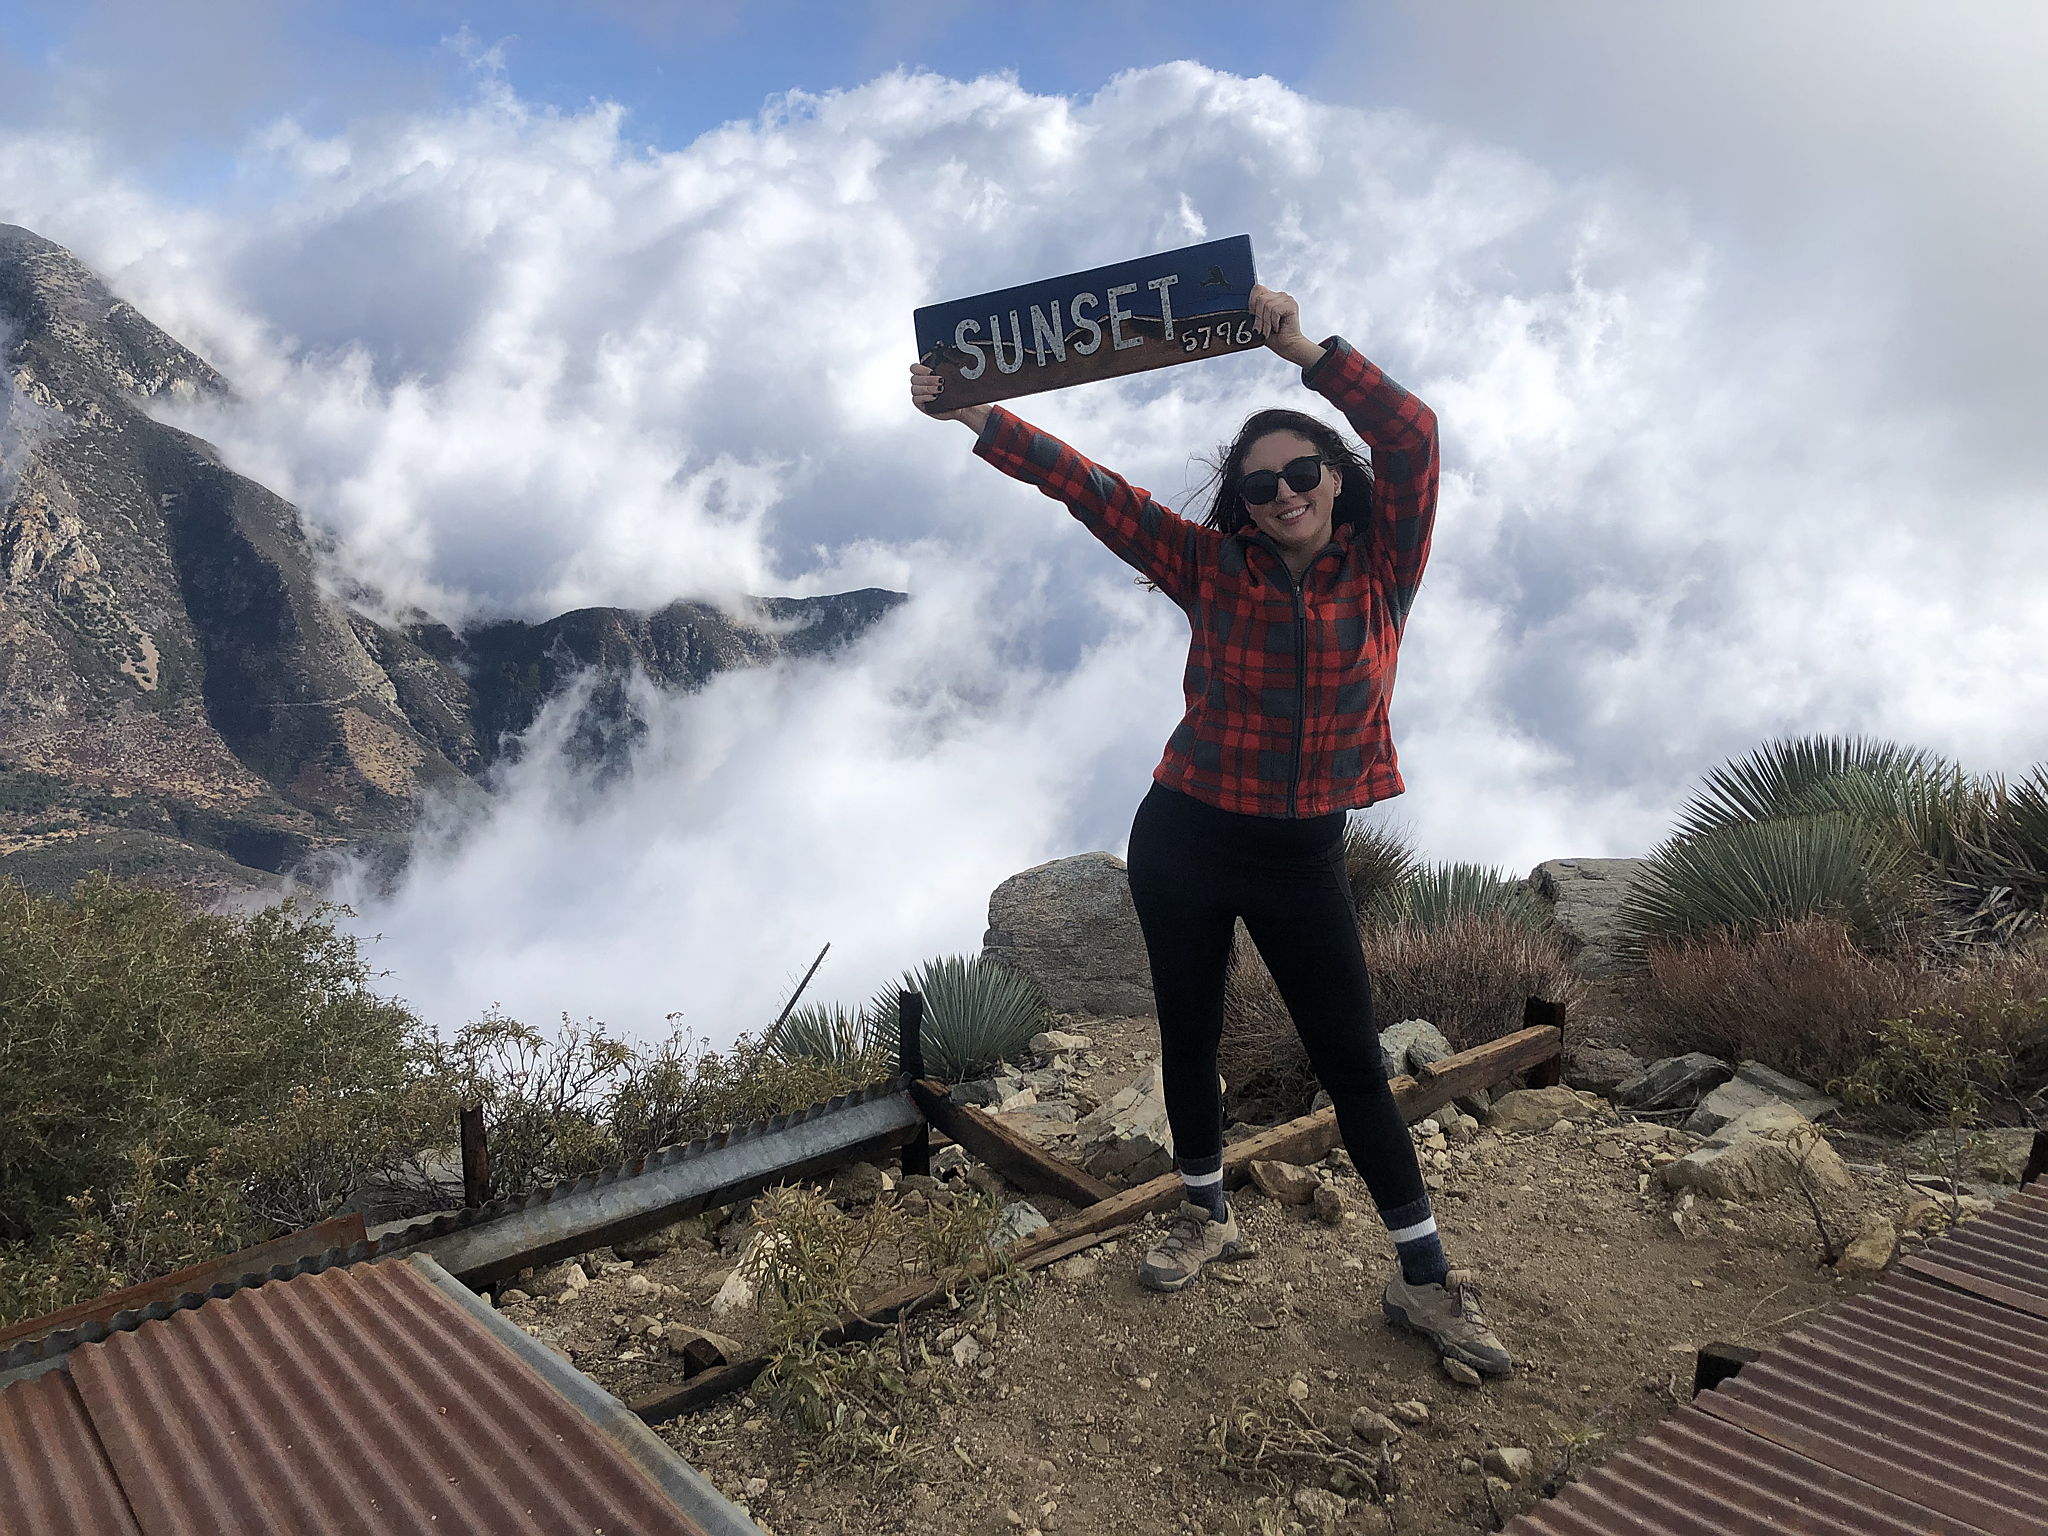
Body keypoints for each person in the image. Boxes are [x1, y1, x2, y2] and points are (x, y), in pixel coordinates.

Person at [907, 284, 1510, 1379]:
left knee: (1350, 1063)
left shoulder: (1385, 565)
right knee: (1185, 1030)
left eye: (1301, 473)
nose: (1283, 493)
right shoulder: (1207, 564)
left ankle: (1423, 1278)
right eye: (1259, 484)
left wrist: (1301, 351)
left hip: (1300, 851)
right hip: (1183, 832)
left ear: (1334, 480)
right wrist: (976, 418)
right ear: (1237, 502)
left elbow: (1412, 433)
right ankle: (1202, 1209)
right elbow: (1090, 491)